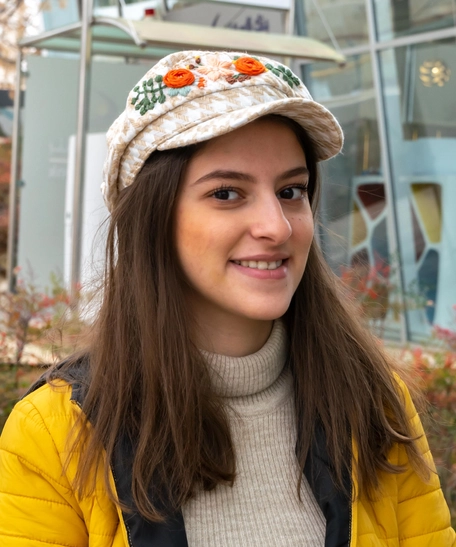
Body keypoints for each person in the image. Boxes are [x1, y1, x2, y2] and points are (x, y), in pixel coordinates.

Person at [0, 50, 454, 547]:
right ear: (152, 220)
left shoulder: (374, 404)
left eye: (291, 190)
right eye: (226, 194)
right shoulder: (53, 435)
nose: (276, 227)